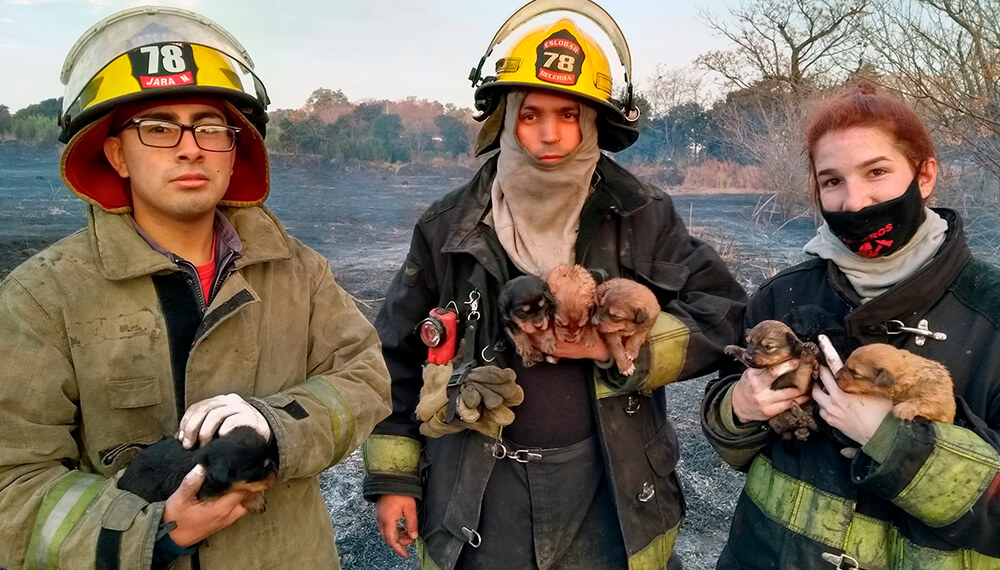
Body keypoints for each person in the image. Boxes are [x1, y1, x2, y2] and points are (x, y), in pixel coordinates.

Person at [0, 6, 391, 569]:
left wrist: (274, 424)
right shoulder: (42, 298)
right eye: (158, 128)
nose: (190, 148)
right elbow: (14, 482)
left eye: (210, 128)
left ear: (235, 152)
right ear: (116, 154)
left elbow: (365, 377)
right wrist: (152, 530)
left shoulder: (299, 272)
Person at [362, 2, 747, 568]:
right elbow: (393, 350)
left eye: (569, 114)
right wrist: (395, 476)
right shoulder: (448, 226)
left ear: (593, 121)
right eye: (531, 114)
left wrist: (625, 348)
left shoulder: (641, 212)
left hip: (610, 484)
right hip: (478, 487)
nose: (550, 134)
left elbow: (724, 311)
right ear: (505, 119)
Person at [701, 83, 1000, 569]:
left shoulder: (990, 314)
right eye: (832, 181)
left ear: (924, 175)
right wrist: (738, 407)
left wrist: (895, 442)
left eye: (877, 172)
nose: (855, 202)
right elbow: (726, 425)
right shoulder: (784, 294)